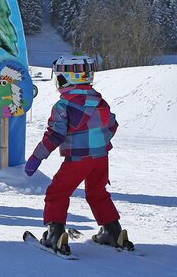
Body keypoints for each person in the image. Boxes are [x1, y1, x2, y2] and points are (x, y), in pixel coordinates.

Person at [25, 57, 133, 254]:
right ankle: (112, 231)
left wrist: (36, 157)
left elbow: (54, 135)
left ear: (66, 79)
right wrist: (99, 142)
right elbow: (112, 125)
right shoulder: (99, 101)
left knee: (58, 192)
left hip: (78, 159)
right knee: (97, 192)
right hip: (100, 158)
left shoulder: (63, 105)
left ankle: (54, 235)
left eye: (58, 78)